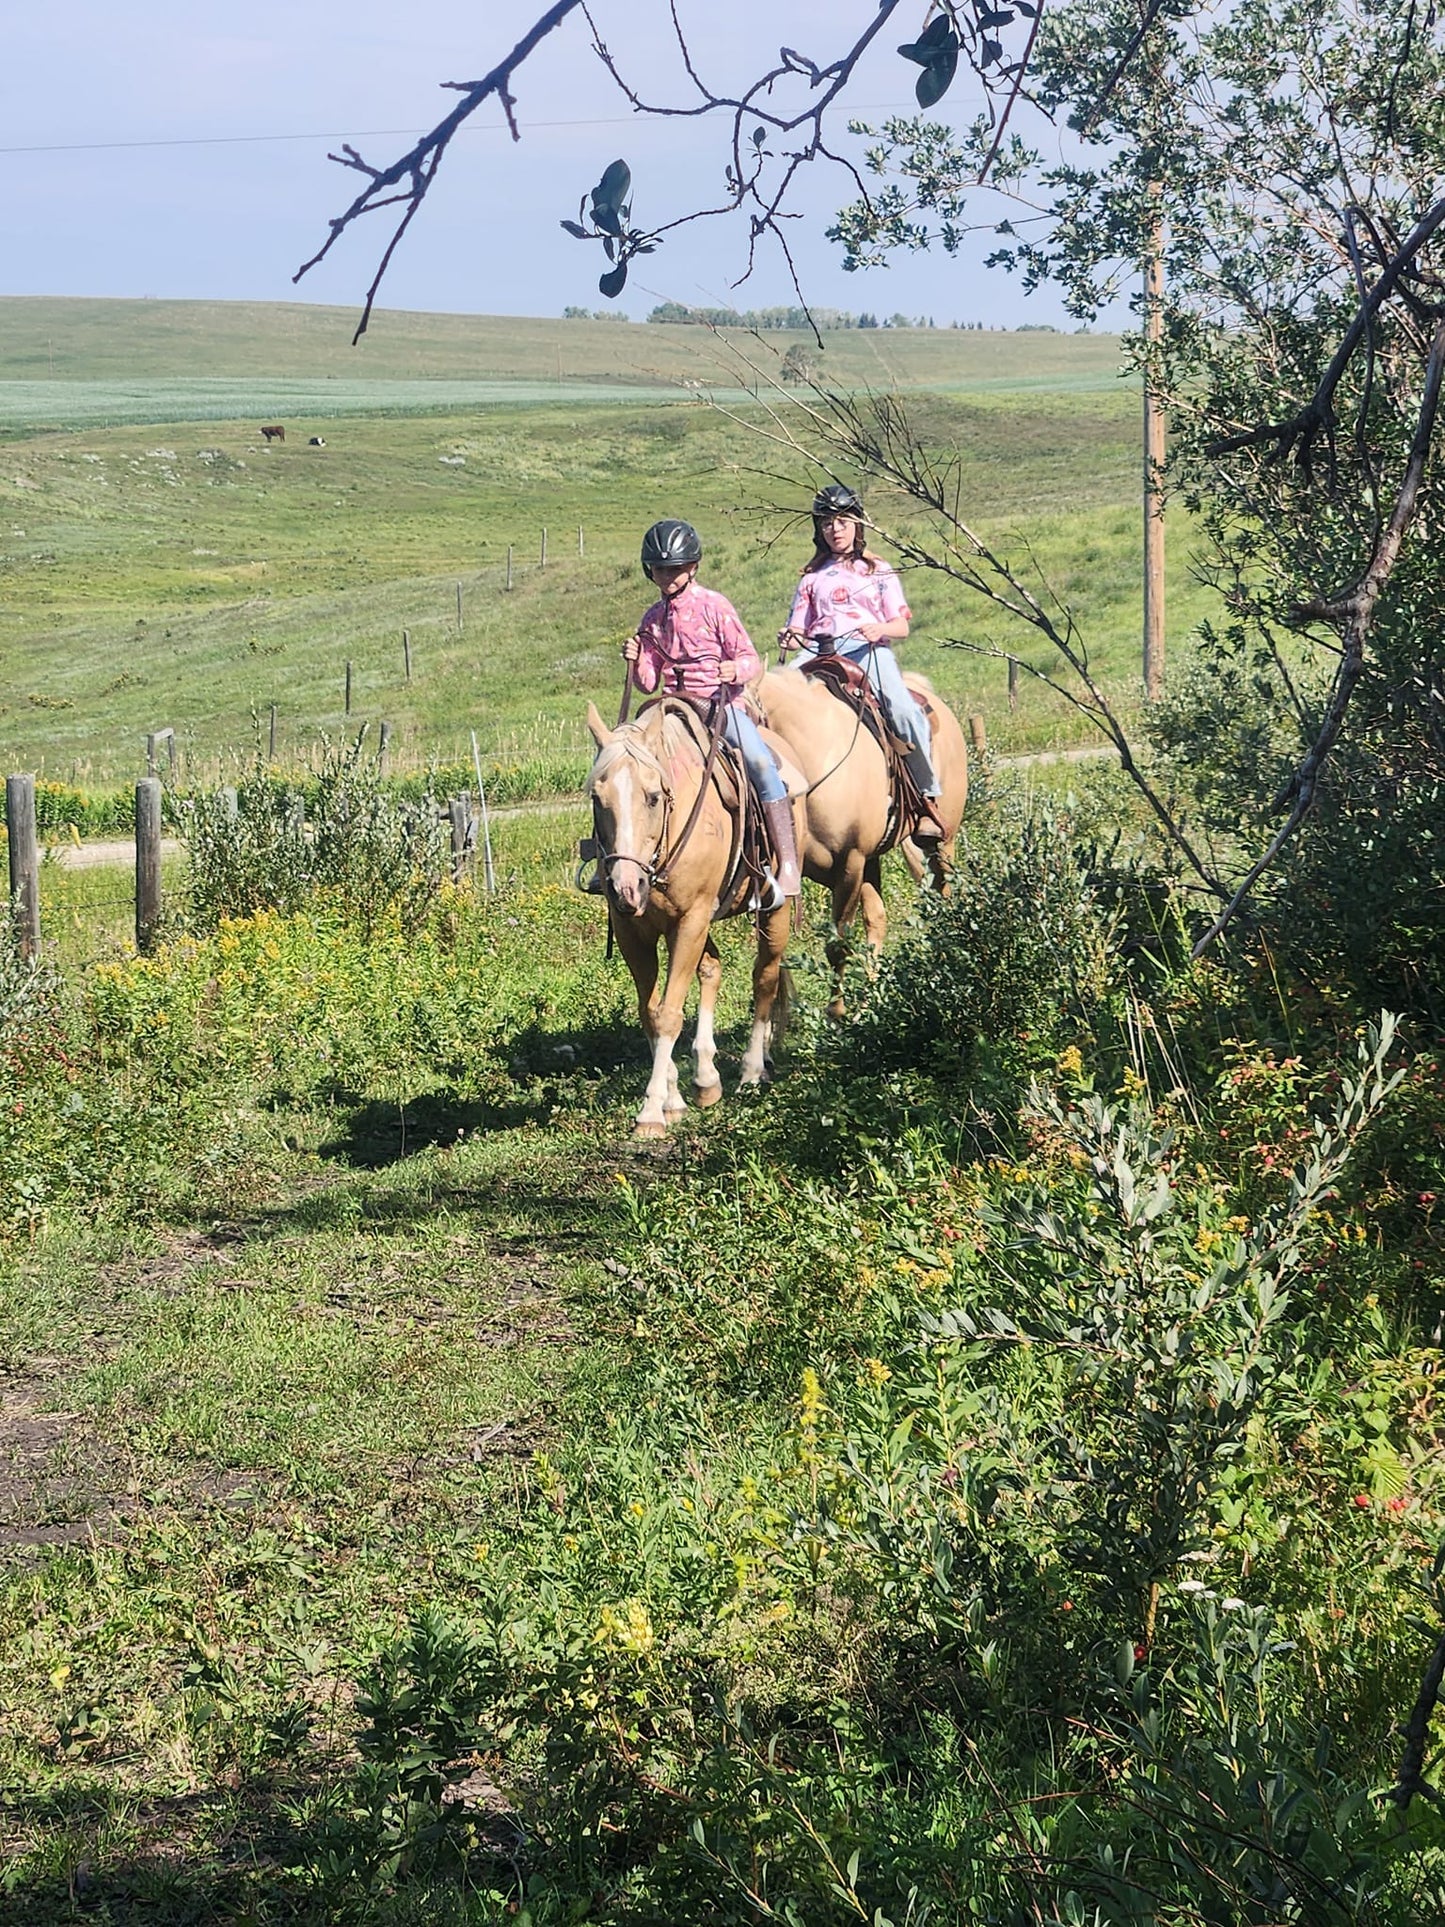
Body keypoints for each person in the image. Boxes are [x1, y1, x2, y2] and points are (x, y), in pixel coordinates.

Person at [623, 518, 801, 900]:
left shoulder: (715, 605)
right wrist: (637, 658)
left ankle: (786, 862)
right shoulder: (652, 620)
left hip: (719, 704)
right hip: (669, 708)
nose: (667, 576)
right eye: (659, 569)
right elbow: (648, 683)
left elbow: (750, 658)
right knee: (624, 764)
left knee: (756, 760)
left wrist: (735, 669)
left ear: (692, 567)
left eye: (674, 568)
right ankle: (617, 858)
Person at [779, 484, 946, 841]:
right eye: (827, 523)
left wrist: (878, 628)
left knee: (901, 709)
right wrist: (789, 637)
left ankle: (927, 796)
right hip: (819, 652)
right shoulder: (810, 577)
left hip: (866, 649)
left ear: (857, 523)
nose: (835, 529)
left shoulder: (877, 569)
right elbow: (798, 629)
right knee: (773, 698)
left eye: (842, 521)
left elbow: (901, 626)